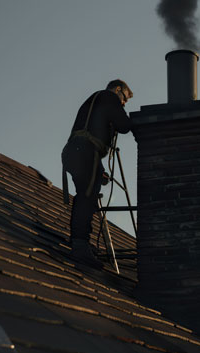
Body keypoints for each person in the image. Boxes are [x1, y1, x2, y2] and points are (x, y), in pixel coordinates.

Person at [62, 79, 133, 266]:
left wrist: (99, 170)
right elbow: (124, 125)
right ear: (117, 90)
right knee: (87, 197)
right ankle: (80, 245)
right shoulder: (109, 97)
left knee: (87, 194)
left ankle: (81, 241)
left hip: (76, 152)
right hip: (86, 152)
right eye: (124, 98)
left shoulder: (95, 100)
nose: (123, 103)